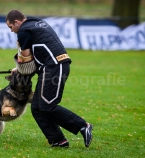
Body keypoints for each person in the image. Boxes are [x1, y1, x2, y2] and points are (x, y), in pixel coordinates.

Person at [5, 10, 93, 148]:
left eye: (11, 27)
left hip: (53, 68)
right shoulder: (36, 22)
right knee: (37, 107)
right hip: (55, 66)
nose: (11, 31)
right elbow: (34, 58)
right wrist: (19, 68)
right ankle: (58, 140)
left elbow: (27, 64)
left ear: (17, 22)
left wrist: (19, 69)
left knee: (47, 106)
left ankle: (83, 126)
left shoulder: (23, 31)